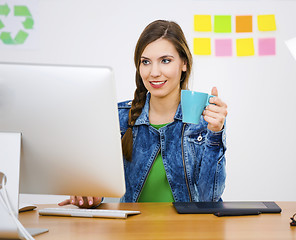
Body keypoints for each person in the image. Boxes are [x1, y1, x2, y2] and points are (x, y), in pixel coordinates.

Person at [59, 19, 227, 208]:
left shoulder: (206, 118)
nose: (154, 72)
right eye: (146, 62)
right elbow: (99, 183)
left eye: (165, 61)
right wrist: (90, 195)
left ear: (184, 64)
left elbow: (209, 198)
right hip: (133, 231)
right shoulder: (120, 117)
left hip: (188, 230)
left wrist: (215, 133)